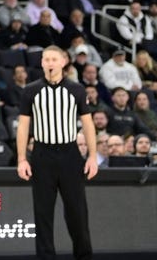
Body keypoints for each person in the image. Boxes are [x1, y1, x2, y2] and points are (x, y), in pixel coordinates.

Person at [16, 46, 99, 260]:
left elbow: (88, 125)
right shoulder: (31, 90)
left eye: (54, 59)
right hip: (42, 155)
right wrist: (22, 158)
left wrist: (92, 156)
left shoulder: (77, 90)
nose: (50, 63)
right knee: (43, 214)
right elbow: (23, 127)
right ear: (42, 63)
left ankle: (84, 256)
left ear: (63, 62)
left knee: (77, 213)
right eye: (46, 59)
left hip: (70, 154)